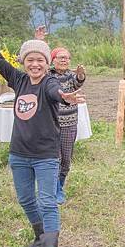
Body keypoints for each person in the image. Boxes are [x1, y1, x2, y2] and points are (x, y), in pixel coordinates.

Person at [0, 9, 81, 247]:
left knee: (47, 201)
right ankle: (39, 237)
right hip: (19, 154)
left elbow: (56, 91)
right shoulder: (18, 80)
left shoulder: (48, 83)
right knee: (25, 199)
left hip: (45, 155)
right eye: (30, 60)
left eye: (40, 61)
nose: (35, 64)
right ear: (24, 62)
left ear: (47, 64)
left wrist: (65, 96)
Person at [41, 27, 86, 205]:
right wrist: (41, 41)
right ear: (53, 60)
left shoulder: (70, 75)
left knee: (66, 158)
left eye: (67, 58)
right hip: (51, 123)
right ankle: (52, 189)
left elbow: (77, 83)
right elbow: (39, 62)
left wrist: (81, 75)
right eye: (61, 58)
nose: (65, 61)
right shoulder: (48, 75)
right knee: (54, 157)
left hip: (70, 123)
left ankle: (60, 185)